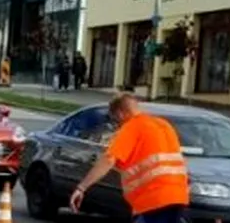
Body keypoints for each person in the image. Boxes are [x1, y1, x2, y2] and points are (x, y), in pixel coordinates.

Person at [69, 93, 189, 223]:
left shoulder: (132, 127)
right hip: (179, 196)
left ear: (120, 113)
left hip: (153, 198)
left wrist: (81, 188)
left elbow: (109, 160)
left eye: (115, 119)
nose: (117, 124)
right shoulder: (164, 125)